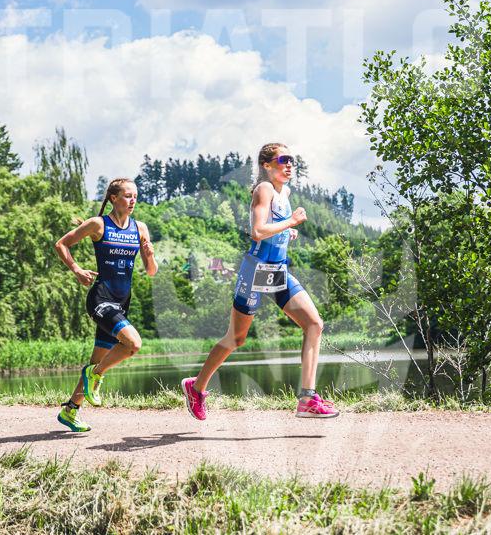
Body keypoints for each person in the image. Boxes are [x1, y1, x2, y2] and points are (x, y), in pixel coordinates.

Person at [182, 143, 339, 420]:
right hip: (255, 272)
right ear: (267, 165)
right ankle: (196, 387)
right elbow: (257, 231)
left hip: (278, 270)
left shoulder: (284, 192)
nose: (289, 164)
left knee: (314, 324)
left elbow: (271, 227)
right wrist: (290, 223)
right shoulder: (264, 189)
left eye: (292, 160)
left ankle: (307, 398)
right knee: (236, 338)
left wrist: (285, 232)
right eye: (283, 159)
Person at [54, 177, 157, 432]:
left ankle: (70, 410)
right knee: (133, 344)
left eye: (135, 196)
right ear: (113, 198)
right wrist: (77, 269)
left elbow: (151, 271)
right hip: (100, 299)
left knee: (97, 359)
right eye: (127, 196)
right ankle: (96, 374)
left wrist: (150, 255)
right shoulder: (98, 224)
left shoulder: (140, 228)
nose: (132, 201)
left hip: (122, 303)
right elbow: (61, 244)